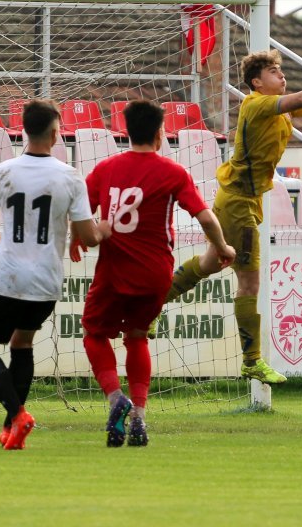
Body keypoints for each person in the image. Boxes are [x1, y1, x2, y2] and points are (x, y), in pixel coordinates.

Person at [164, 50, 302, 385]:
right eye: (273, 71)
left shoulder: (279, 109)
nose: (281, 77)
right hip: (238, 201)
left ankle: (151, 305)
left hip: (241, 199)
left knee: (211, 263)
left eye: (281, 71)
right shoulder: (256, 104)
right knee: (249, 282)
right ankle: (252, 361)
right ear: (256, 82)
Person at [82, 100, 236, 447]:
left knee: (94, 333)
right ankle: (138, 415)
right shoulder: (173, 172)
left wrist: (86, 234)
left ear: (124, 131)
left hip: (113, 269)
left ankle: (114, 398)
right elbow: (206, 217)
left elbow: (80, 213)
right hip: (155, 274)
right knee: (137, 336)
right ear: (159, 134)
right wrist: (223, 248)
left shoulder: (105, 169)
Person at [0, 99, 102, 450]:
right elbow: (89, 237)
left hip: (8, 277)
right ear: (56, 133)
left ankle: (17, 415)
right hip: (46, 281)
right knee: (22, 343)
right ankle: (11, 428)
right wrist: (109, 228)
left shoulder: (4, 172)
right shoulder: (70, 177)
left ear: (24, 130)